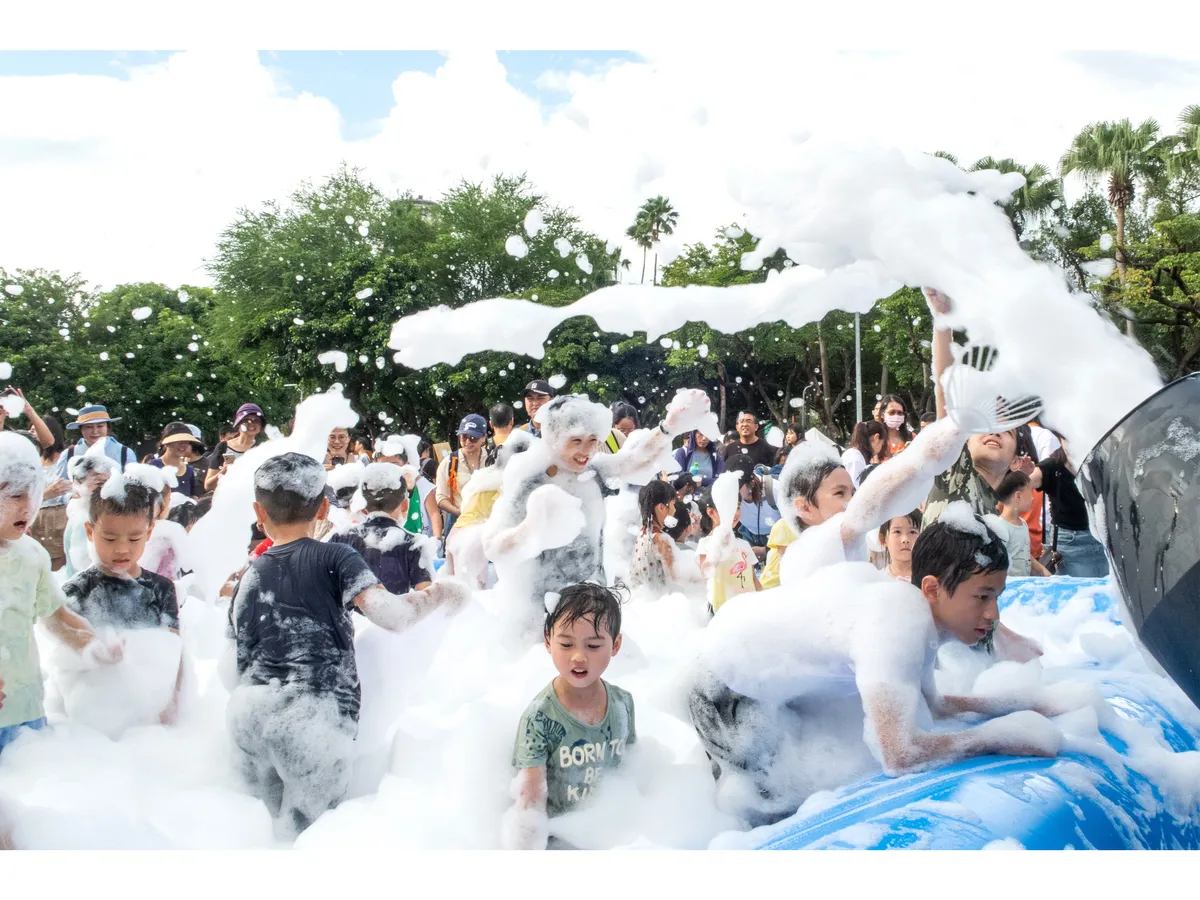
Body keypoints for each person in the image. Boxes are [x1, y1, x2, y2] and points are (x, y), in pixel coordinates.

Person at [688, 510, 1087, 826]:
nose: (993, 613)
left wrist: (1032, 704)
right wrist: (999, 736)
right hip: (724, 685)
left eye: (997, 596)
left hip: (756, 663)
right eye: (982, 597)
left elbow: (937, 705)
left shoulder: (915, 614)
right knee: (773, 813)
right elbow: (900, 754)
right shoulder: (898, 621)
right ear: (932, 588)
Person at [226, 453, 469, 838]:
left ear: (259, 511)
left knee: (253, 836)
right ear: (323, 507)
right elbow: (393, 615)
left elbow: (234, 659)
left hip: (248, 717)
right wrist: (441, 594)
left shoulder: (249, 576)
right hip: (314, 718)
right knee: (309, 839)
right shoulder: (335, 557)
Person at [483, 390, 713, 634]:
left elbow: (635, 460)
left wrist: (669, 427)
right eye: (576, 441)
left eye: (593, 440)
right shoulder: (531, 480)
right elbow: (493, 547)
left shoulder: (590, 473)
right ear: (553, 437)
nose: (586, 451)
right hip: (541, 612)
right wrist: (530, 528)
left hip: (591, 599)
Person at [0, 433, 123, 757]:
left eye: (33, 493)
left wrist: (91, 644)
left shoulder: (31, 556)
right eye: (15, 495)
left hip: (25, 709)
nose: (28, 506)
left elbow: (55, 615)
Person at [502, 582, 636, 851]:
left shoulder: (623, 704)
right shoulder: (539, 719)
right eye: (566, 644)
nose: (578, 656)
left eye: (593, 645)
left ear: (616, 644)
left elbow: (632, 769)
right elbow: (530, 802)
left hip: (611, 832)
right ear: (548, 641)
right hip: (559, 839)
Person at [62, 469, 183, 723]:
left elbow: (174, 653)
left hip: (150, 713)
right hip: (96, 716)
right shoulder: (76, 590)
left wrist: (174, 704)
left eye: (134, 538)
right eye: (109, 538)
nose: (122, 549)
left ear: (149, 532)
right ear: (90, 531)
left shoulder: (161, 589)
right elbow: (64, 663)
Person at [329, 464, 434, 596]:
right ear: (405, 505)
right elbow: (427, 597)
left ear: (363, 508)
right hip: (396, 609)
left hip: (349, 609)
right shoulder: (414, 544)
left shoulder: (340, 537)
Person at [444, 431, 532, 589]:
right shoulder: (505, 482)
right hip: (473, 539)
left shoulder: (484, 477)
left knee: (454, 591)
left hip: (455, 534)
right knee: (475, 594)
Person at [1023, 437, 1108, 578]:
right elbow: (1017, 487)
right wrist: (1022, 474)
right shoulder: (1052, 466)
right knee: (1079, 588)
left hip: (1103, 538)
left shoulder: (1101, 461)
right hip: (1071, 542)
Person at [696, 480, 761, 615]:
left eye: (737, 507)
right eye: (728, 507)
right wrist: (717, 547)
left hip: (749, 607)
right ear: (711, 512)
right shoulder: (706, 543)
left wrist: (764, 600)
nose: (735, 513)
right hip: (722, 610)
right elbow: (705, 573)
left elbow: (754, 579)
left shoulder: (743, 544)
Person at [62, 452, 121, 578]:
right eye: (99, 484)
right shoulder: (83, 520)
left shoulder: (88, 512)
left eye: (110, 483)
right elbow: (85, 566)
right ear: (79, 484)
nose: (106, 489)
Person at [52, 405, 137, 485]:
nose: (95, 431)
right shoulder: (68, 454)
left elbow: (134, 486)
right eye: (89, 427)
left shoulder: (125, 453)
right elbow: (59, 489)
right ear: (81, 429)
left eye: (100, 426)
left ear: (107, 427)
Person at [30, 414, 71, 570]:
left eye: (36, 429)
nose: (33, 433)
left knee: (56, 566)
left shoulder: (65, 458)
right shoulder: (32, 460)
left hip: (58, 515)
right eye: (31, 429)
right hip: (35, 516)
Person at [988, 470, 1047, 578]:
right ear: (1018, 496)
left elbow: (1024, 553)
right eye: (1030, 492)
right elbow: (997, 564)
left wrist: (1041, 569)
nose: (1033, 497)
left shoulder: (1023, 523)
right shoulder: (1000, 528)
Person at [436, 414, 488, 534]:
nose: (468, 442)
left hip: (487, 520)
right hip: (458, 519)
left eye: (473, 438)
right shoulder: (449, 462)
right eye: (464, 437)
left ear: (483, 437)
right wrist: (461, 512)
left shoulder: (493, 459)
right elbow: (441, 497)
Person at [629, 479, 679, 592]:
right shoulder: (661, 540)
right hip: (657, 597)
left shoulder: (643, 533)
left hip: (638, 595)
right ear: (661, 507)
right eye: (673, 505)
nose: (675, 510)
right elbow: (674, 578)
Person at [204, 403, 266, 493]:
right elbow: (208, 486)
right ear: (239, 423)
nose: (251, 424)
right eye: (246, 420)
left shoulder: (263, 448)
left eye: (256, 421)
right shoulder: (223, 447)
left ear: (260, 426)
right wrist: (223, 472)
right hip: (227, 497)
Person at [736, 467, 780, 564]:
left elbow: (794, 529)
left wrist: (767, 550)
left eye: (738, 486)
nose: (734, 491)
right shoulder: (731, 496)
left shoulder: (775, 490)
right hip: (748, 535)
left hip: (777, 538)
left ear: (751, 484)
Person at [149, 422, 204, 499]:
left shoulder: (189, 470)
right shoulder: (152, 467)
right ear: (167, 443)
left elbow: (191, 496)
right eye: (179, 441)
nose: (183, 445)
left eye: (186, 442)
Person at [840, 420, 889, 488]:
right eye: (882, 443)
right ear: (876, 438)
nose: (881, 448)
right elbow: (855, 488)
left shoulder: (855, 455)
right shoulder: (855, 458)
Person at [879, 512, 921, 582]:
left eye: (912, 532)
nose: (905, 539)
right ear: (883, 539)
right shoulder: (877, 580)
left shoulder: (932, 579)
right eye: (897, 532)